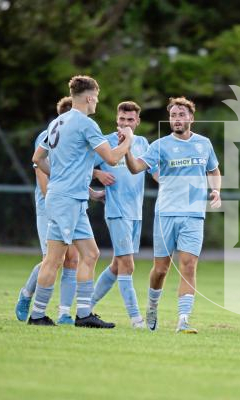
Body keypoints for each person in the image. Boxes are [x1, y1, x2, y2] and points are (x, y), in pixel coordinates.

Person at [29, 75, 134, 327]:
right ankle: (37, 315)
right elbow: (110, 158)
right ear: (88, 98)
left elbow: (38, 157)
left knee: (90, 253)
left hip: (71, 198)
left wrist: (61, 177)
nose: (97, 102)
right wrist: (128, 139)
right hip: (66, 200)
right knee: (54, 259)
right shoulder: (86, 123)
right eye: (96, 98)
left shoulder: (57, 122)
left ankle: (84, 315)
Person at [125, 96, 221, 334]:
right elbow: (136, 168)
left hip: (194, 215)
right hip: (166, 214)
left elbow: (214, 169)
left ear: (191, 118)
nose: (177, 119)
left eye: (181, 115)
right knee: (161, 270)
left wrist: (216, 189)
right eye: (173, 116)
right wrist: (126, 150)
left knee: (188, 266)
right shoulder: (159, 146)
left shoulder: (204, 144)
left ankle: (183, 319)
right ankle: (152, 306)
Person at [15, 97, 80, 325]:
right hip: (50, 206)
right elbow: (42, 174)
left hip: (71, 204)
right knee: (52, 258)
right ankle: (26, 295)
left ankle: (64, 313)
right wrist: (53, 206)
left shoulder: (76, 139)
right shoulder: (47, 136)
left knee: (73, 258)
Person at [89, 101, 150, 329]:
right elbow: (78, 168)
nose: (125, 124)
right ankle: (136, 320)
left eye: (130, 120)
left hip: (136, 213)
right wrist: (97, 174)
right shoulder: (104, 143)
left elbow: (156, 172)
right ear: (117, 119)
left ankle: (85, 307)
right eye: (122, 119)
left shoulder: (143, 143)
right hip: (116, 211)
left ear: (137, 122)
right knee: (128, 265)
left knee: (117, 265)